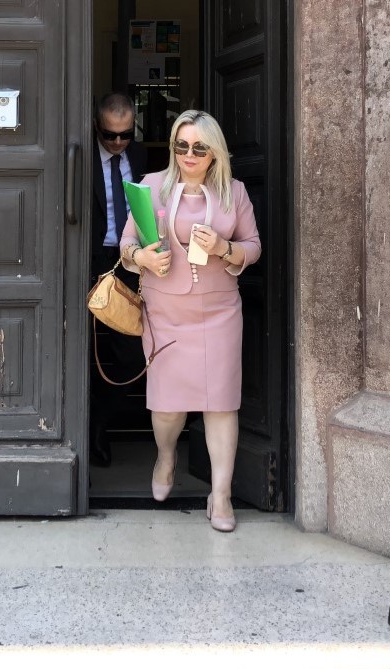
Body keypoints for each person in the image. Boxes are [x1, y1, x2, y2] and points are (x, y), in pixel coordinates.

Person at [119, 110, 261, 531]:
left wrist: (223, 247)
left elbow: (253, 246)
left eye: (199, 147)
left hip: (219, 312)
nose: (189, 154)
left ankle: (221, 495)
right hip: (165, 312)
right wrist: (141, 257)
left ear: (214, 151)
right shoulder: (150, 187)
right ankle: (166, 457)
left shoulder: (235, 193)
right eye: (181, 145)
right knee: (167, 406)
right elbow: (126, 244)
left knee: (221, 404)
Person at [90, 92, 148, 468]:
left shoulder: (139, 157)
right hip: (88, 260)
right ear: (96, 127)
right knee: (83, 350)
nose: (117, 142)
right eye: (109, 134)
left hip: (128, 264)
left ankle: (99, 423)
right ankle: (83, 431)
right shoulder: (81, 155)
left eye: (125, 134)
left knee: (131, 355)